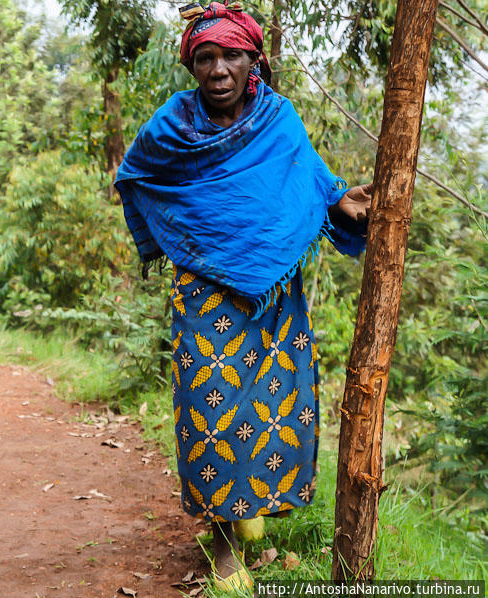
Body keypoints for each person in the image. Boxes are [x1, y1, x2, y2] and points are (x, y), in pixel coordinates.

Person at [114, 1, 372, 591]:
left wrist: (337, 200)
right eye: (205, 57)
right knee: (211, 407)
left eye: (231, 54)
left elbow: (304, 174)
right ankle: (226, 541)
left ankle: (256, 508)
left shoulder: (278, 118)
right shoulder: (170, 127)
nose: (219, 69)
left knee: (273, 400)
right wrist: (185, 235)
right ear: (192, 65)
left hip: (274, 292)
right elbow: (134, 177)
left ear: (253, 58)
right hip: (203, 290)